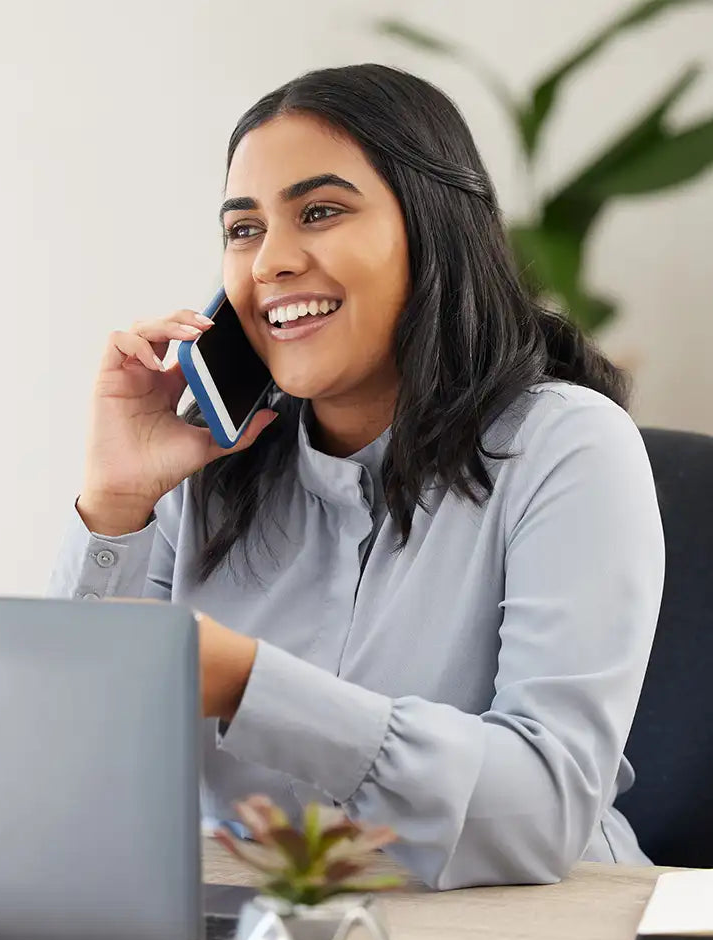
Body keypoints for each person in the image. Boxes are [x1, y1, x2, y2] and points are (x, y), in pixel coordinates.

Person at [48, 64, 665, 890]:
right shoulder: (199, 468)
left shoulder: (569, 446)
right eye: (243, 229)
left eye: (320, 212)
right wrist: (117, 504)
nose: (270, 261)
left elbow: (543, 810)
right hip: (267, 927)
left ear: (433, 227)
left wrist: (247, 683)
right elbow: (65, 769)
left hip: (522, 933)